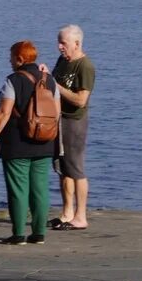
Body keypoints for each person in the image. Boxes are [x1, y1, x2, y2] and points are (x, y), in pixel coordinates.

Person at [0, 40, 60, 245]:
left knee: (18, 188)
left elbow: (4, 111)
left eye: (11, 57)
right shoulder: (50, 80)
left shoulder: (13, 80)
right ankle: (38, 233)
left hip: (17, 142)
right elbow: (56, 111)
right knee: (40, 188)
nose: (9, 61)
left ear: (19, 59)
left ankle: (19, 233)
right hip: (45, 141)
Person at [50, 24, 96, 230]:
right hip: (58, 118)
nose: (60, 47)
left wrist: (57, 87)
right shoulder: (62, 61)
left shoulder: (84, 66)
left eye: (64, 43)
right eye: (59, 42)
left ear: (76, 44)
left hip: (74, 121)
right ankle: (67, 212)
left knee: (76, 168)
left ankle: (81, 216)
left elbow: (80, 100)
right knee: (63, 167)